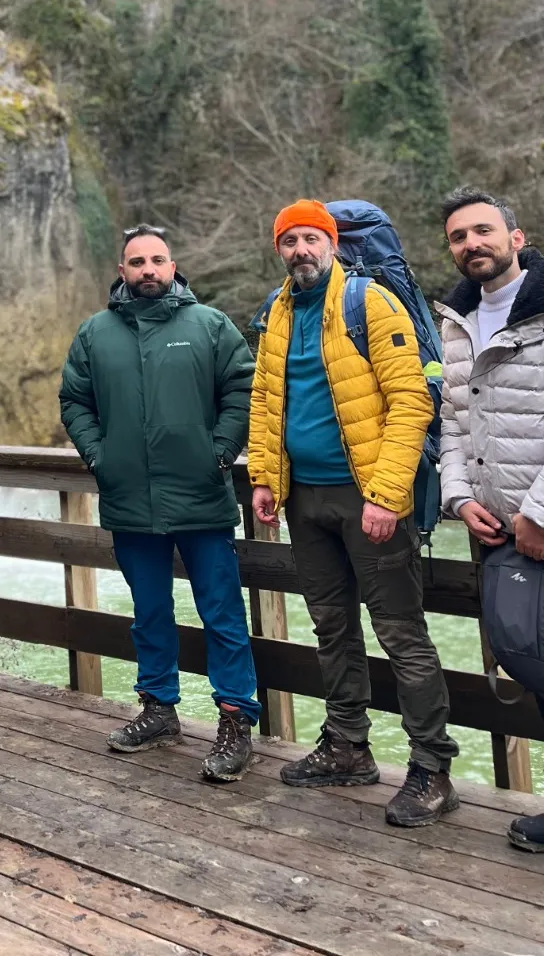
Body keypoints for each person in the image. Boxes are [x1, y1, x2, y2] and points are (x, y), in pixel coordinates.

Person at [249, 199, 459, 826]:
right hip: (305, 500)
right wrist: (264, 478)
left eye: (311, 239)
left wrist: (386, 495)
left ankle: (431, 769)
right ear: (279, 249)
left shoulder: (370, 302)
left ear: (333, 244)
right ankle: (347, 746)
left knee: (401, 632)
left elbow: (410, 402)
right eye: (290, 242)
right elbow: (266, 400)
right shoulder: (277, 312)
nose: (301, 251)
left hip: (369, 499)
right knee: (332, 627)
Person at [60, 226, 259, 781]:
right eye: (136, 261)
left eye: (156, 260)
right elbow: (74, 399)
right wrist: (101, 457)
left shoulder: (211, 325)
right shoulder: (95, 333)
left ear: (173, 266)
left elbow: (243, 390)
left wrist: (219, 453)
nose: (147, 269)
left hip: (201, 493)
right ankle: (157, 708)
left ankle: (236, 719)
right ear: (121, 271)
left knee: (221, 613)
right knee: (149, 613)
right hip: (130, 499)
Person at [437, 186, 544, 852]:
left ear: (516, 236)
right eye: (458, 236)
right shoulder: (456, 320)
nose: (471, 243)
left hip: (534, 521)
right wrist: (457, 496)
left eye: (483, 230)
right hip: (503, 531)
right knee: (521, 651)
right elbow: (453, 421)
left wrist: (539, 512)